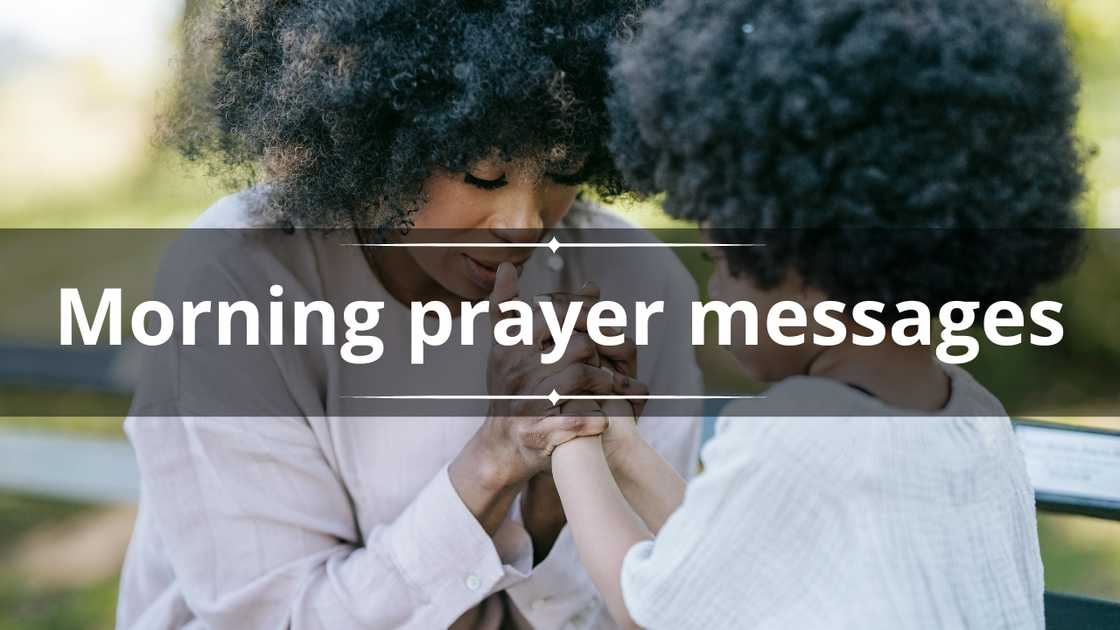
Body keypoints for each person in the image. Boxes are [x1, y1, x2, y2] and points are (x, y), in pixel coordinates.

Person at [116, 2, 703, 629]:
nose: (524, 223)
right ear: (381, 130)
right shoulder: (236, 277)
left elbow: (664, 598)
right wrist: (495, 459)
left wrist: (553, 509)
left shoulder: (631, 281)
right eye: (483, 172)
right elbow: (279, 617)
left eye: (562, 168)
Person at [551, 0, 1087, 628]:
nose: (714, 295)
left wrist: (567, 438)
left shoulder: (800, 429)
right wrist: (622, 447)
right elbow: (726, 572)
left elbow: (651, 608)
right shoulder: (975, 417)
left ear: (803, 265)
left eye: (723, 263)